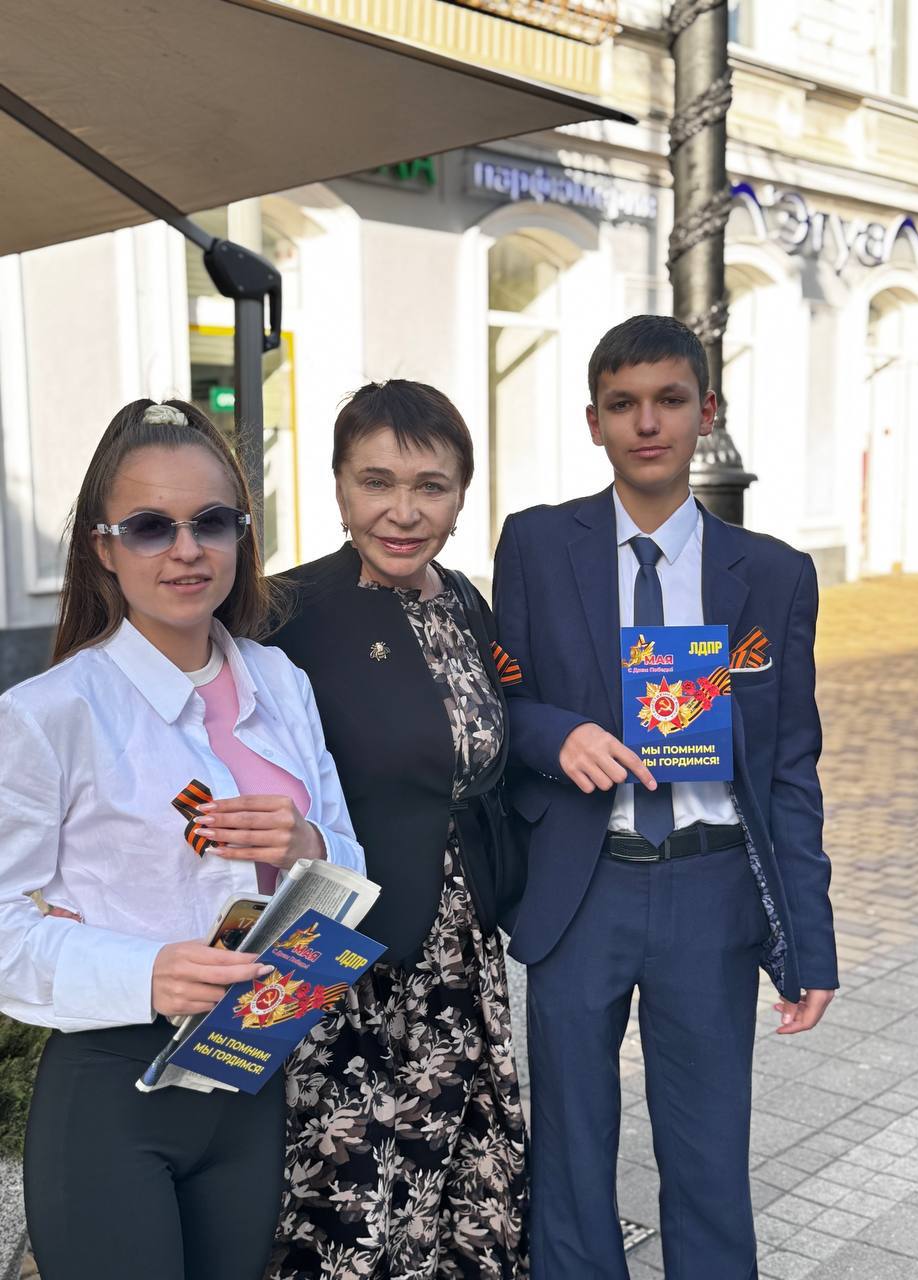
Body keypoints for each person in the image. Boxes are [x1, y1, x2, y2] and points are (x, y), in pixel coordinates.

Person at [492, 315, 838, 1280]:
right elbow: (500, 704)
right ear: (594, 422)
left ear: (706, 412)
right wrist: (556, 735)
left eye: (670, 401)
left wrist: (809, 941)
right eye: (623, 404)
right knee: (569, 1150)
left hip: (710, 888)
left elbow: (791, 766)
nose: (648, 424)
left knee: (710, 1153)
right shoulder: (536, 544)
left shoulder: (772, 575)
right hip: (583, 883)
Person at [0, 399, 363, 1280]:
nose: (187, 549)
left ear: (241, 533)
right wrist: (146, 970)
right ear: (103, 547)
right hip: (114, 1088)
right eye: (150, 526)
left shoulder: (280, 681)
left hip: (251, 1073)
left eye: (211, 521)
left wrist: (309, 844)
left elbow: (350, 870)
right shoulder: (50, 714)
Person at [265, 379, 527, 1280]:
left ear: (461, 495)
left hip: (457, 946)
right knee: (345, 1185)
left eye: (431, 486)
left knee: (452, 1169)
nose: (404, 512)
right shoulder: (283, 612)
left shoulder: (465, 603)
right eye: (376, 482)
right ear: (338, 485)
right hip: (341, 951)